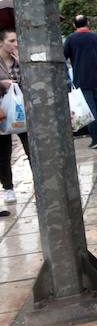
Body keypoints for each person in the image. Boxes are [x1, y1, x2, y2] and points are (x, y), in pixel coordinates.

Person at [63, 15, 97, 149]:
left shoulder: (70, 39)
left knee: (90, 109)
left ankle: (95, 140)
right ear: (88, 23)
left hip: (82, 79)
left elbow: (63, 57)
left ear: (74, 25)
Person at [0, 28, 28, 204]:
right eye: (11, 41)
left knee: (31, 147)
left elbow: (30, 82)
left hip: (21, 110)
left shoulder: (20, 59)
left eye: (17, 40)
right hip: (1, 111)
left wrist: (23, 64)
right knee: (3, 152)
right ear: (1, 42)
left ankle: (40, 183)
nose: (15, 44)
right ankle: (8, 188)